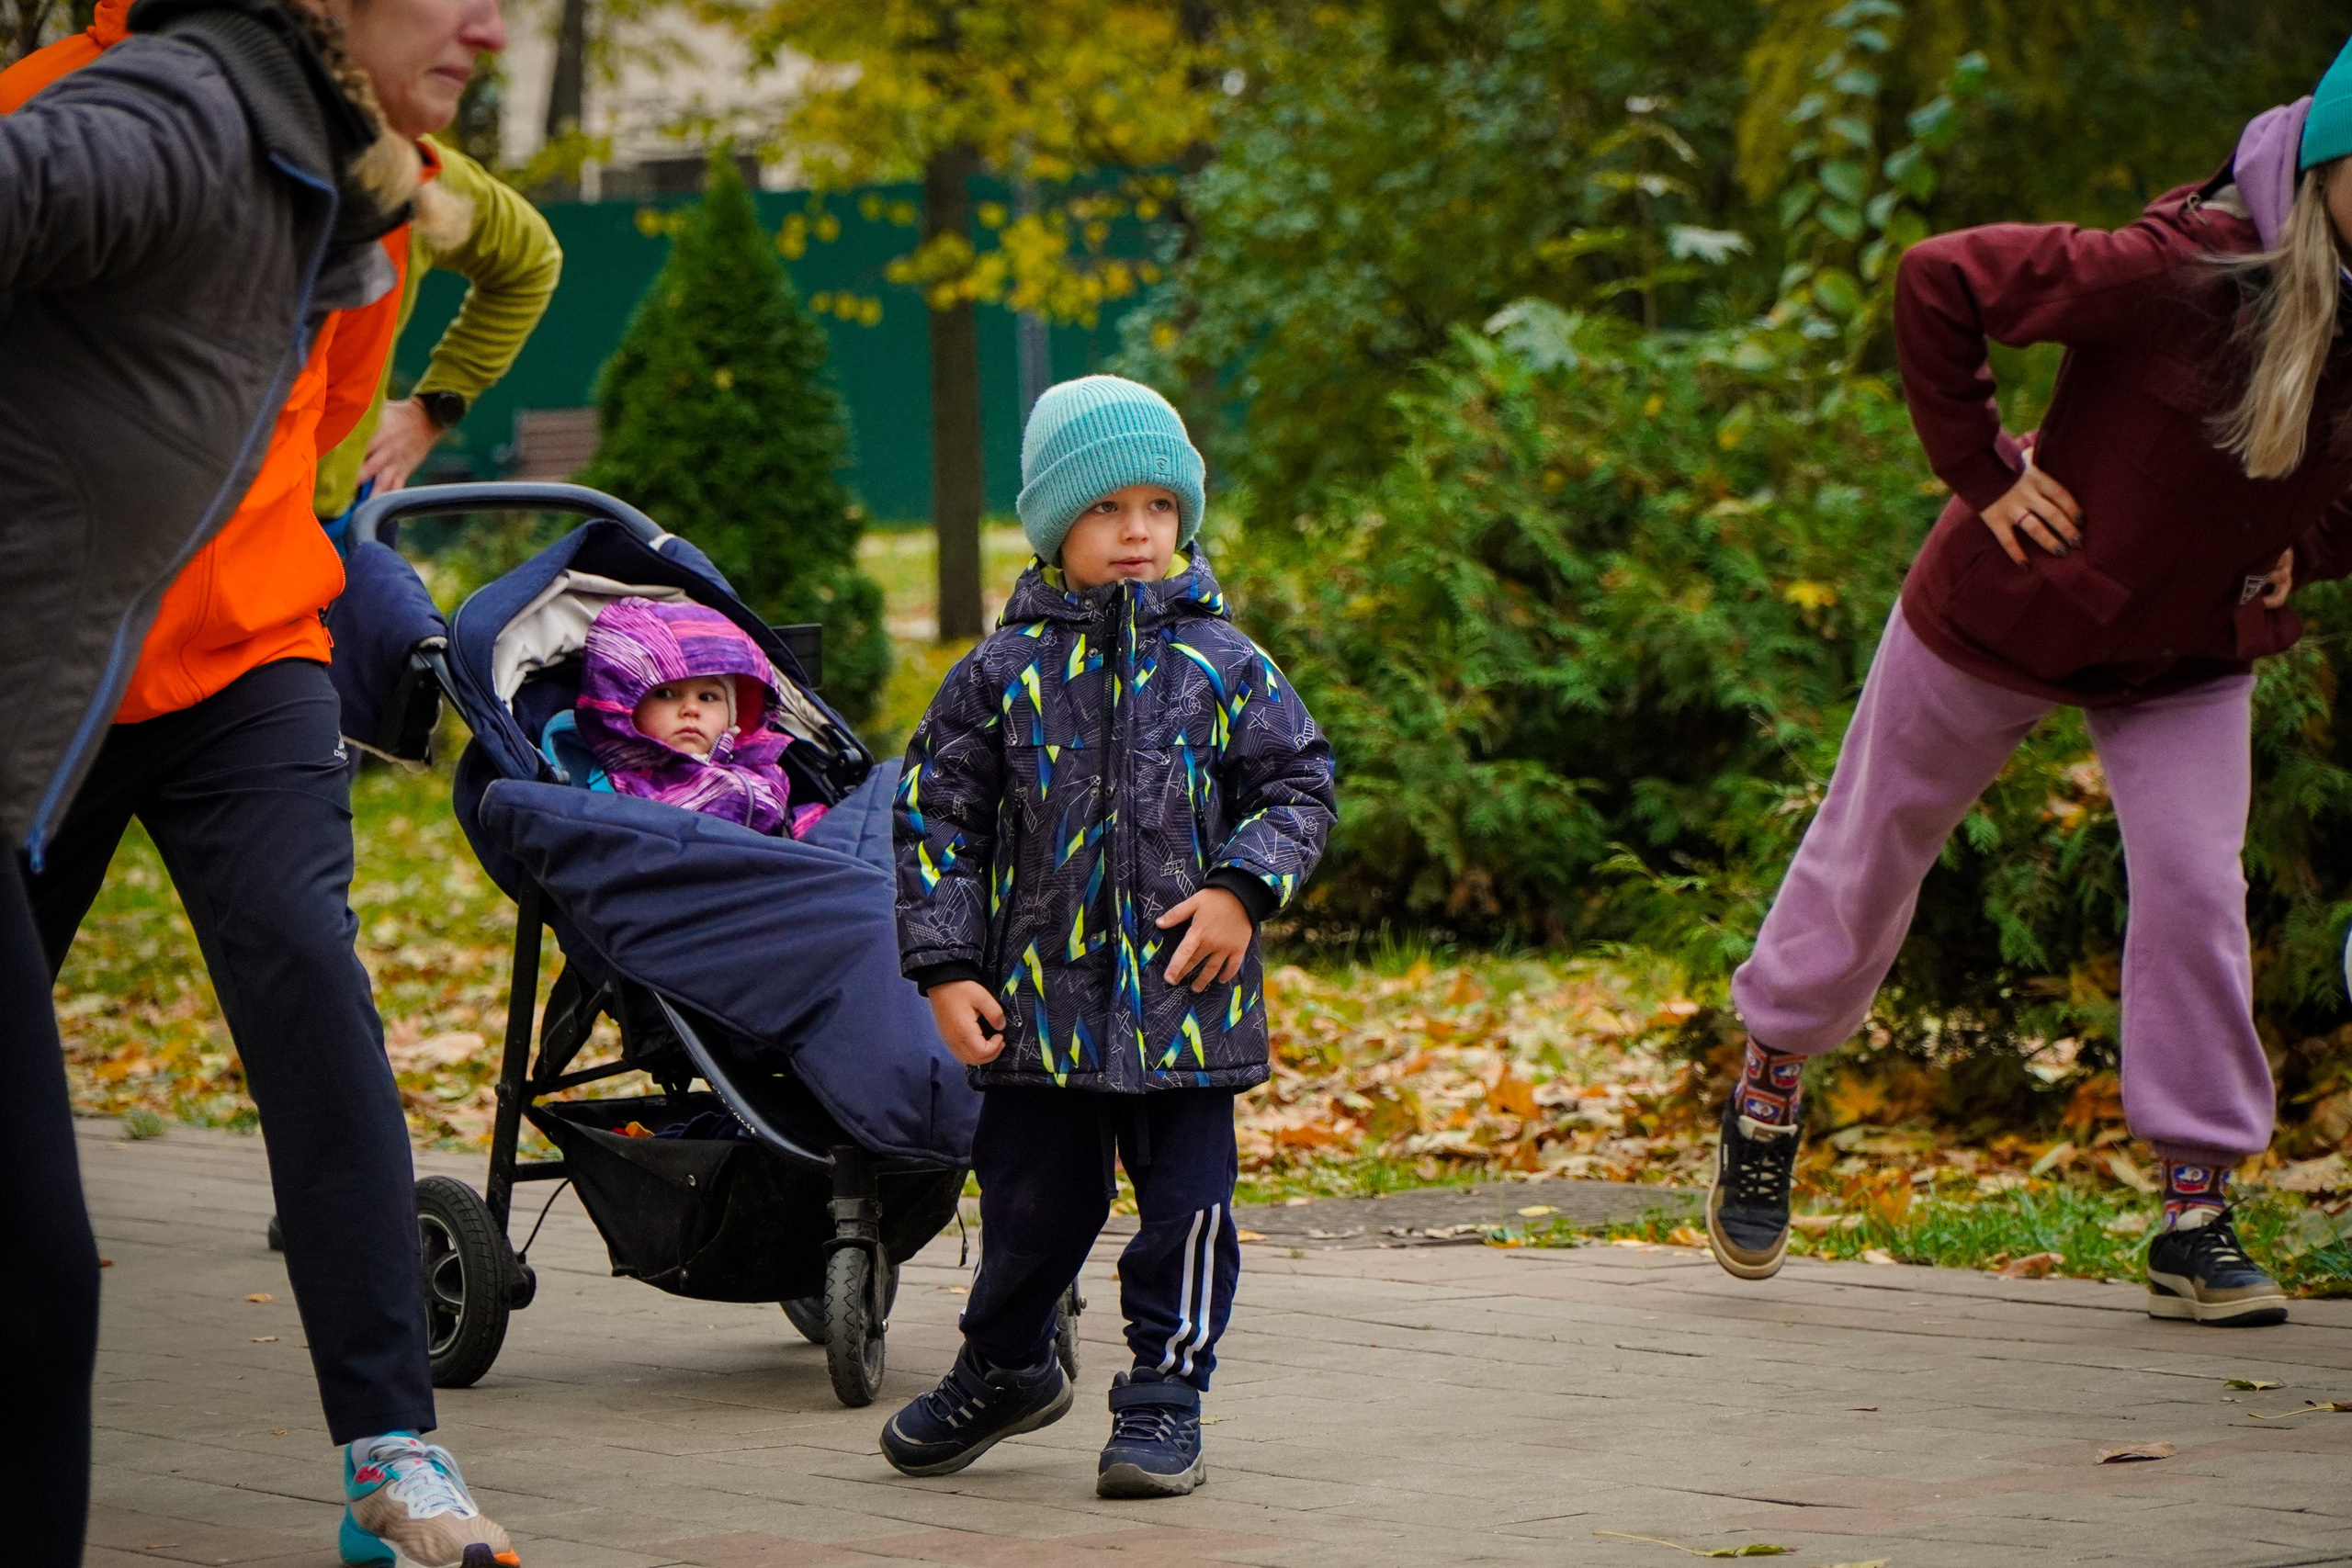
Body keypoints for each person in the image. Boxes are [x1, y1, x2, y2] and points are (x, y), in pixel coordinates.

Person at [1706, 39, 2352, 1331]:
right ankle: (1770, 1079)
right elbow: (1939, 276)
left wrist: (2310, 549)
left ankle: (2194, 1210)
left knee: (2195, 887)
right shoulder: (2180, 264)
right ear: (2330, 160)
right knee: (1872, 850)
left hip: (2186, 649)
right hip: (2006, 608)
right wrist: (1986, 472)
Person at [5, 0, 534, 1560]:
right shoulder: (97, 113)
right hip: (50, 675)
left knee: (307, 973)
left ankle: (391, 1447)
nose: (492, 27)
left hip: (242, 650)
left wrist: (420, 421)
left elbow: (312, 421)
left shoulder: (376, 168)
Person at [885, 376, 1337, 1496]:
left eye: (1158, 507)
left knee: (1188, 1214)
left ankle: (1163, 1402)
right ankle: (1004, 1366)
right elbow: (936, 819)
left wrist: (1243, 888)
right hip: (1038, 1011)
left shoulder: (1226, 661)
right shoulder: (1000, 675)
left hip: (1188, 1009)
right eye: (1105, 508)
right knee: (1028, 1213)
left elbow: (1298, 786)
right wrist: (945, 967)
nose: (1137, 531)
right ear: (1054, 525)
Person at [577, 596, 829, 837]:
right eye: (665, 694)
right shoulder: (621, 793)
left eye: (707, 697)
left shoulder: (763, 771)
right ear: (625, 707)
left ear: (733, 715)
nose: (691, 709)